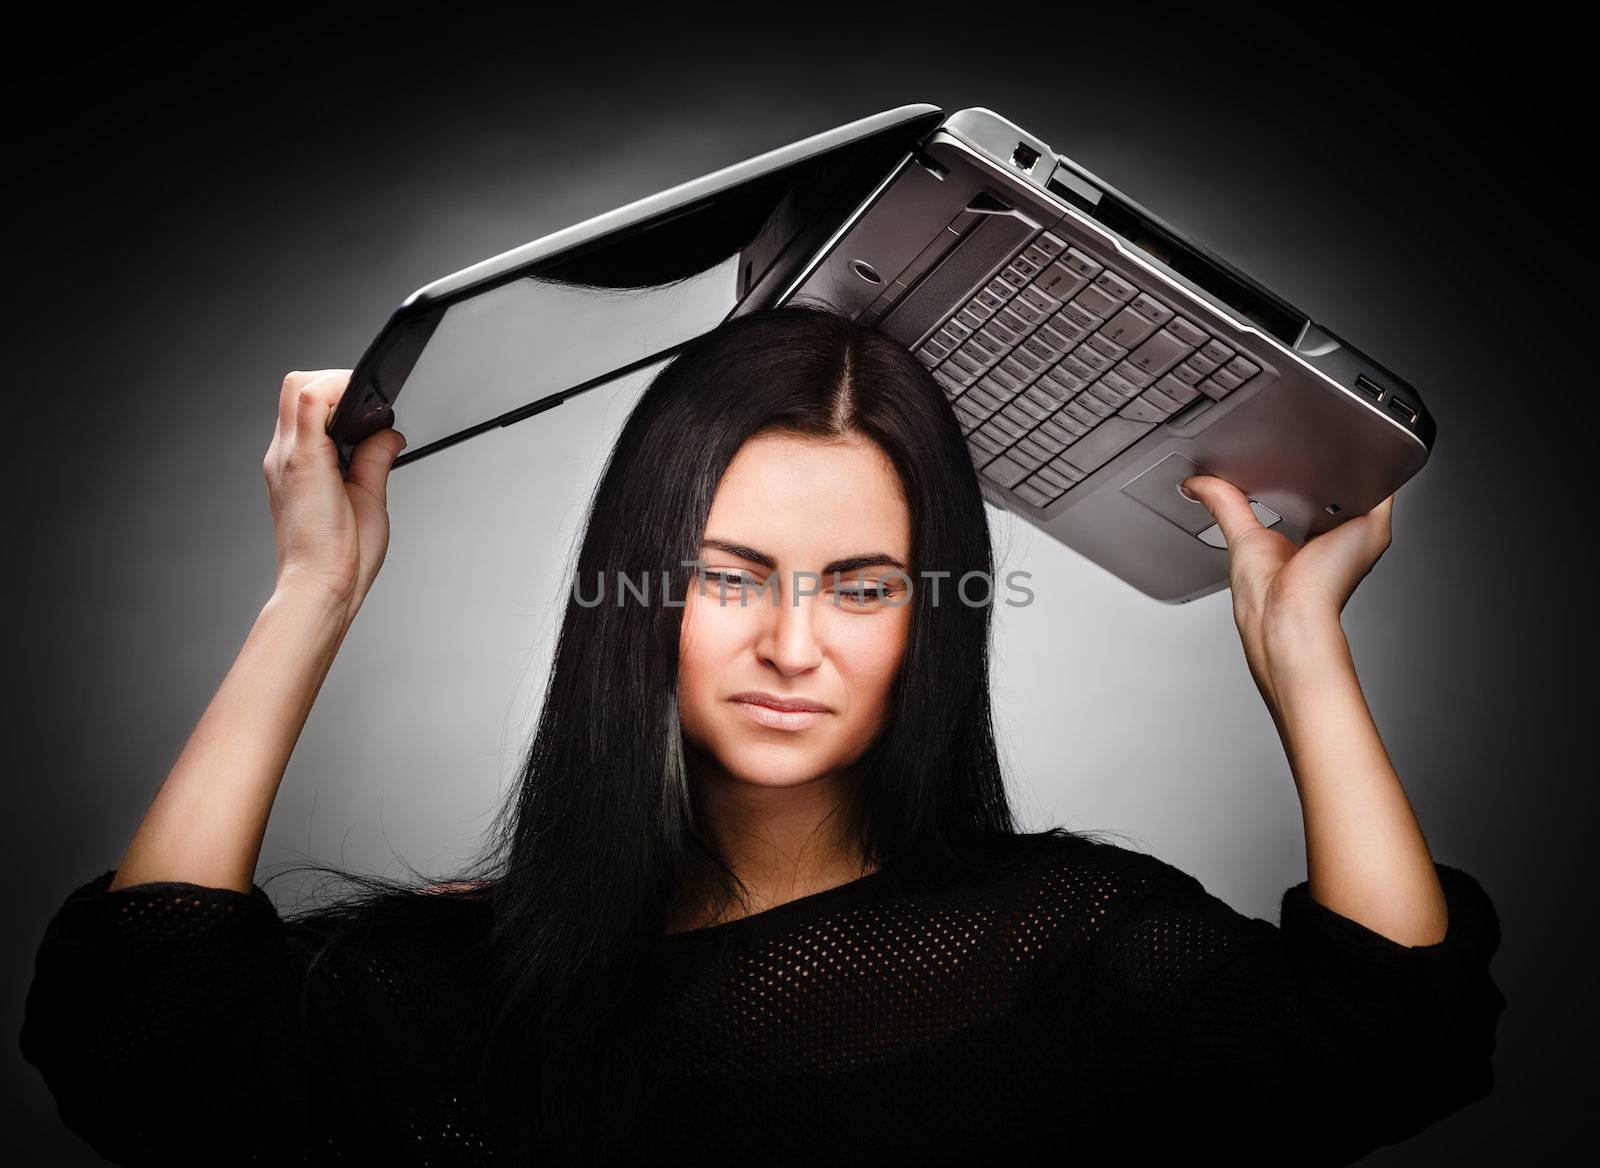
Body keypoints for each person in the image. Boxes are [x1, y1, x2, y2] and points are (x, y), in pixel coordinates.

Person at [19, 303, 1505, 1166]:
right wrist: (310, 594)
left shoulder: (1072, 938)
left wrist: (1299, 652)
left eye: (859, 587)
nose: (792, 644)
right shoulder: (457, 990)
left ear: (932, 616)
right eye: (728, 578)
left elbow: (1387, 1042)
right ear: (639, 595)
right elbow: (143, 1048)